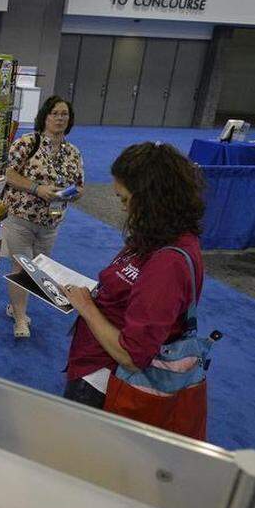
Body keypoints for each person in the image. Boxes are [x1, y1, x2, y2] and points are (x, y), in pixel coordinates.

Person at [63, 142, 206, 435]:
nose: (123, 208)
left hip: (110, 384)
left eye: (126, 199)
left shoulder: (168, 263)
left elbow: (131, 355)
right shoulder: (155, 237)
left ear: (151, 200)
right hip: (96, 365)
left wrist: (87, 307)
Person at [0, 95, 84, 339]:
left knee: (36, 270)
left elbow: (80, 187)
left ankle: (14, 307)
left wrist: (69, 194)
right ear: (44, 117)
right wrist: (37, 189)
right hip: (21, 217)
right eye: (54, 113)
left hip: (51, 223)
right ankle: (20, 319)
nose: (60, 118)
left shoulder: (73, 152)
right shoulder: (28, 143)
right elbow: (7, 173)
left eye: (64, 114)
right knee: (21, 267)